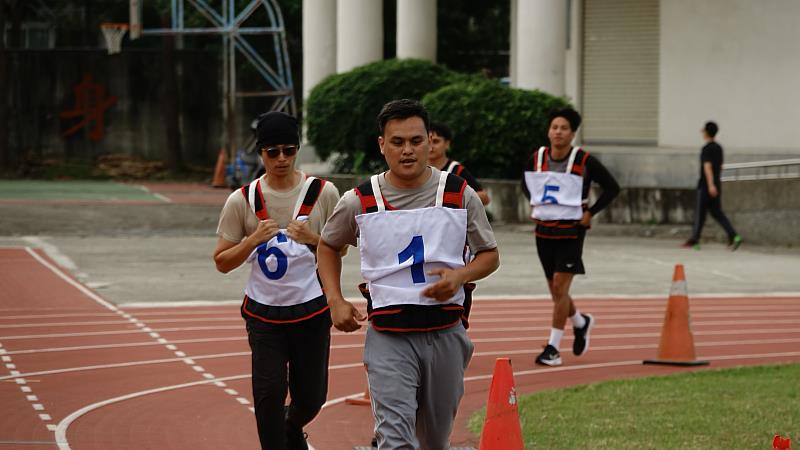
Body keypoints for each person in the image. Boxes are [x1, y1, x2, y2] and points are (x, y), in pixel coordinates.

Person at [316, 99, 500, 450]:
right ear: (382, 145)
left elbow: (489, 255)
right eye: (397, 142)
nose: (407, 150)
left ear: (430, 142)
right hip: (389, 336)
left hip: (446, 332)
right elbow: (327, 246)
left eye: (416, 141)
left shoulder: (459, 195)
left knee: (434, 440)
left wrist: (460, 276)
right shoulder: (360, 200)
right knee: (395, 440)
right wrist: (335, 300)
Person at [213, 111, 340, 450]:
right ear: (261, 153)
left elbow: (338, 250)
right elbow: (222, 262)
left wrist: (314, 239)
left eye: (289, 149)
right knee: (268, 394)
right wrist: (251, 240)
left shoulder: (323, 193)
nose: (281, 158)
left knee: (312, 397)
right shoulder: (242, 200)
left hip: (311, 312)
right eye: (273, 152)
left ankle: (292, 425)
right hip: (263, 315)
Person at [522, 107, 619, 367]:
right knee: (556, 292)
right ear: (548, 131)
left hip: (571, 232)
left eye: (564, 128)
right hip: (543, 231)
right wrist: (535, 202)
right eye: (554, 127)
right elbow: (525, 183)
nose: (558, 132)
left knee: (560, 288)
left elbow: (612, 187)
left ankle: (553, 347)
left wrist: (592, 212)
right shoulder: (538, 157)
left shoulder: (584, 160)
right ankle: (580, 321)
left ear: (573, 133)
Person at [683, 121, 742, 250]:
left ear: (707, 132)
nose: (702, 133)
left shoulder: (706, 149)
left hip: (706, 186)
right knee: (717, 213)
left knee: (700, 213)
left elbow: (707, 167)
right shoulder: (719, 148)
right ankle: (734, 236)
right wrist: (715, 183)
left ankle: (695, 240)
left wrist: (710, 185)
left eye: (703, 130)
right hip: (717, 184)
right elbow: (720, 167)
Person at [428, 122, 491, 205]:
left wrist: (455, 198)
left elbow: (484, 198)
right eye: (428, 142)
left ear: (447, 144)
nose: (431, 146)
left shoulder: (456, 170)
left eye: (436, 141)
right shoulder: (417, 169)